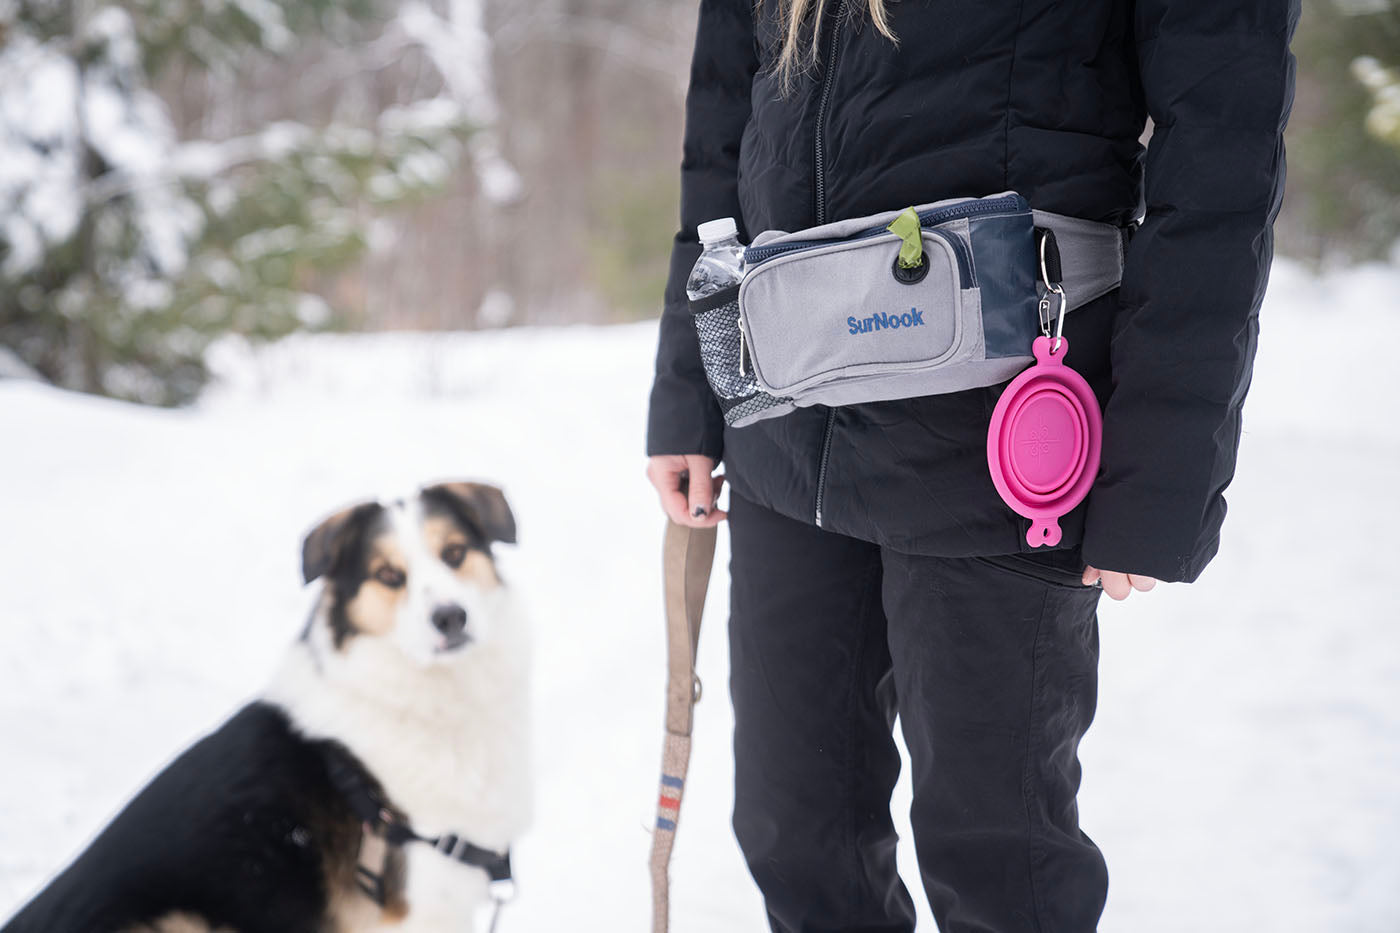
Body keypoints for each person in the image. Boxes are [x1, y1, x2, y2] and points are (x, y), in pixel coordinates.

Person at [645, 1, 1297, 930]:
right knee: (796, 837)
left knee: (998, 866)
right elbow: (722, 121)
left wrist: (1161, 471)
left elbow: (1221, 155)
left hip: (1000, 441)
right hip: (786, 426)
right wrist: (689, 388)